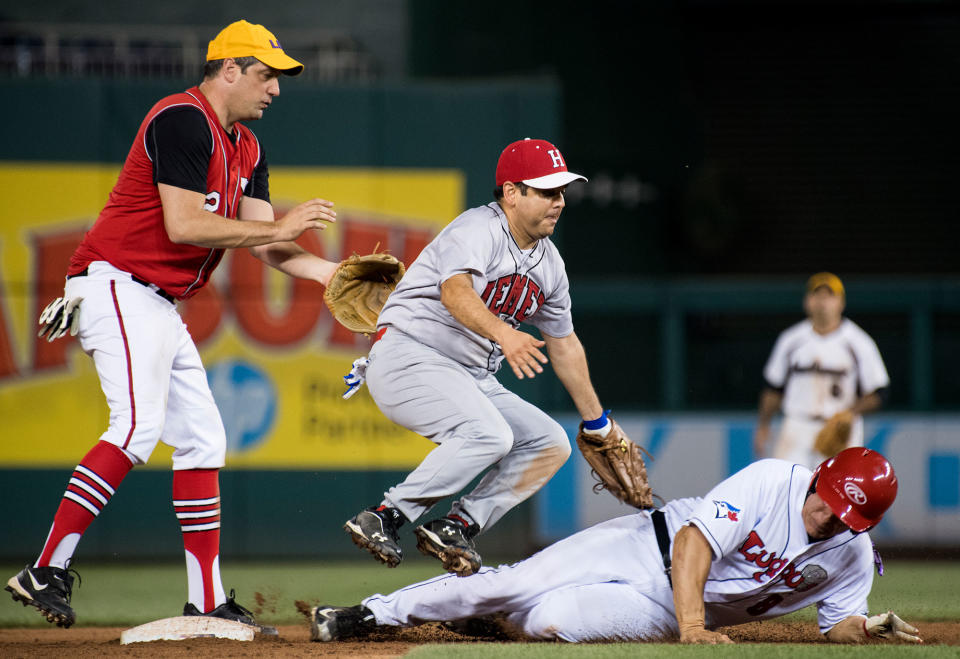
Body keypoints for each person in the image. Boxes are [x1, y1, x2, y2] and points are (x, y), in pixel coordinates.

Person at [5, 20, 339, 629]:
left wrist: (331, 273)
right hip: (116, 283)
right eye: (267, 75)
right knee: (135, 427)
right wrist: (282, 228)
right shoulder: (181, 118)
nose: (276, 90)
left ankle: (206, 599)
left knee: (204, 439)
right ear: (229, 70)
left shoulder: (249, 148)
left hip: (157, 302)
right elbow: (185, 225)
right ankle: (44, 568)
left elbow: (266, 245)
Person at [311, 448, 921, 645]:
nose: (831, 519)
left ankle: (489, 618)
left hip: (670, 610)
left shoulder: (850, 551)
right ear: (819, 477)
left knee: (545, 621)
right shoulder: (772, 482)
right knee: (514, 583)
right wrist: (691, 626)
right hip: (648, 551)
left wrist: (865, 627)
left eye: (848, 518)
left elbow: (834, 623)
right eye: (829, 502)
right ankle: (371, 614)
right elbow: (692, 541)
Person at [343, 138, 614, 577]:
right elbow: (455, 292)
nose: (558, 201)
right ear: (512, 193)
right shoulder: (477, 229)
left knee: (550, 442)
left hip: (469, 374)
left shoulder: (551, 264)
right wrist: (505, 334)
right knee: (490, 434)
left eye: (561, 191)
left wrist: (597, 422)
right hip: (411, 356)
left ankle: (457, 525)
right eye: (546, 191)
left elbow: (563, 342)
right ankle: (385, 515)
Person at [754, 272, 890, 469]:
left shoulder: (859, 342)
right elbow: (773, 388)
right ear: (807, 302)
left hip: (839, 427)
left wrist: (850, 413)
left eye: (830, 296)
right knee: (789, 490)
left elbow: (880, 393)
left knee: (835, 494)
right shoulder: (791, 340)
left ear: (841, 303)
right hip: (796, 426)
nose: (822, 302)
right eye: (817, 295)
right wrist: (763, 425)